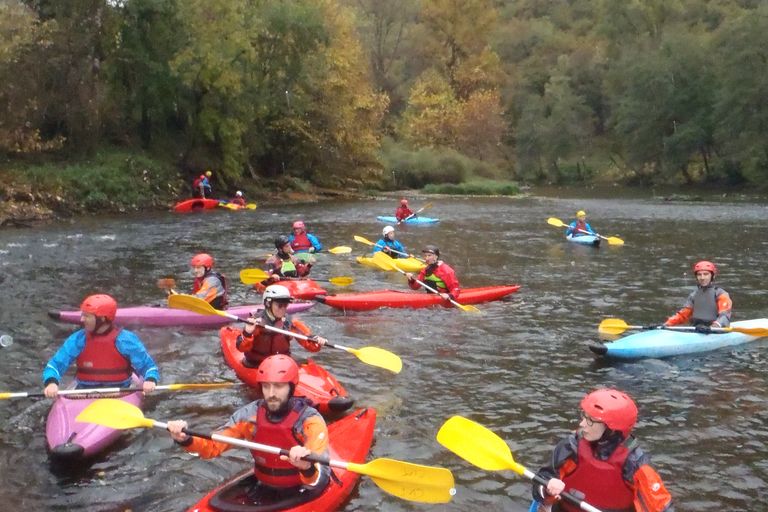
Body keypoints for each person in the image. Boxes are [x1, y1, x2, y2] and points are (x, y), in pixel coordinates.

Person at [166, 355, 330, 502]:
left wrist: (306, 465)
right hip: (264, 484)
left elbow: (315, 474)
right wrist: (186, 439)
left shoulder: (309, 420)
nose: (271, 393)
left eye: (278, 386)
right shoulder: (249, 415)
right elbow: (212, 446)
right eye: (266, 386)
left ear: (291, 388)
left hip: (304, 485)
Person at [531, 388, 674, 512]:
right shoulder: (571, 447)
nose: (582, 424)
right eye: (584, 417)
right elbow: (540, 483)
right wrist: (547, 487)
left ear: (611, 429)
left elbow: (661, 507)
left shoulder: (635, 464)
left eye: (591, 420)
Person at [42, 294, 159, 397]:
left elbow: (149, 367)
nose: (82, 319)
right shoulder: (78, 339)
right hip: (85, 390)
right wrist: (51, 382)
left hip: (120, 390)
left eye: (87, 316)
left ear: (102, 319)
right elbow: (54, 365)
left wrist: (150, 380)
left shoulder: (126, 340)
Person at [236, 285, 326, 368]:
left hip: (282, 364)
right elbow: (241, 348)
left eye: (285, 305)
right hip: (257, 365)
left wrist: (316, 341)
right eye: (279, 305)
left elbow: (310, 344)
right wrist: (247, 333)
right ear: (268, 304)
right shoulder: (256, 322)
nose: (283, 309)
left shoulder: (290, 322)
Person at [662, 260, 731, 331]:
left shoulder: (721, 294)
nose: (702, 278)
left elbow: (724, 315)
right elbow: (683, 315)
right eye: (699, 274)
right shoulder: (694, 295)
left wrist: (715, 326)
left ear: (712, 276)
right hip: (697, 329)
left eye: (706, 274)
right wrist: (666, 324)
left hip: (716, 331)